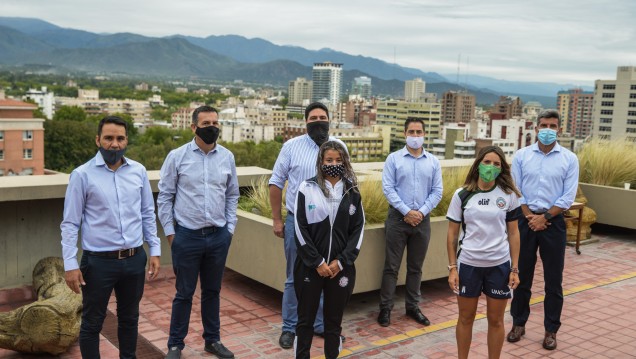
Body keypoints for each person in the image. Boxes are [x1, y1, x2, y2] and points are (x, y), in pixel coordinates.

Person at [61, 115, 161, 359]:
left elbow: (148, 213)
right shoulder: (82, 175)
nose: (114, 144)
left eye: (120, 138)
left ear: (126, 140)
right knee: (93, 323)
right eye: (108, 138)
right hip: (98, 263)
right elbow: (70, 223)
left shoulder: (138, 171)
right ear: (98, 140)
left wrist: (155, 250)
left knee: (129, 319)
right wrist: (70, 264)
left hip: (134, 259)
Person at [158, 105, 239, 359]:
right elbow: (165, 197)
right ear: (194, 127)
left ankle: (212, 341)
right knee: (184, 294)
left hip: (218, 236)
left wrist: (229, 229)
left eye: (215, 123)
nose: (212, 128)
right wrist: (172, 235)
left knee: (212, 292)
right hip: (187, 236)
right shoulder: (177, 156)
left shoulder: (227, 157)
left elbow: (232, 195)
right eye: (206, 124)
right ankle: (175, 344)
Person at [269, 102, 347, 349]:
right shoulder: (291, 147)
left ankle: (321, 325)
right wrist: (277, 219)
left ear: (329, 120)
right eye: (313, 118)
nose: (318, 121)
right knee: (295, 276)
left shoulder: (339, 147)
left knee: (326, 275)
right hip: (296, 222)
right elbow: (276, 182)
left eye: (322, 117)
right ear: (306, 122)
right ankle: (289, 327)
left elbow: (348, 183)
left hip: (330, 226)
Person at [507, 110, 579, 351]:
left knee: (553, 281)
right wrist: (530, 217)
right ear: (536, 128)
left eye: (553, 125)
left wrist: (545, 217)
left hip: (553, 223)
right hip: (524, 220)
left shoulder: (569, 158)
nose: (548, 129)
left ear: (559, 129)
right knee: (521, 276)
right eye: (544, 125)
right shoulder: (521, 155)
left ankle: (551, 330)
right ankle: (518, 324)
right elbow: (515, 189)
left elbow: (568, 196)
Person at [446, 146, 521, 359]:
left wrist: (514, 268)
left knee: (496, 320)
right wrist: (452, 268)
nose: (491, 167)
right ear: (478, 164)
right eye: (487, 162)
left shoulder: (508, 196)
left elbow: (514, 234)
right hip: (468, 265)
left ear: (502, 169)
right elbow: (452, 236)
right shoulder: (462, 195)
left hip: (498, 266)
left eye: (497, 164)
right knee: (465, 318)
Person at [294, 141, 365, 359]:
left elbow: (358, 231)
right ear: (321, 162)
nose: (334, 164)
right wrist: (317, 262)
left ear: (345, 162)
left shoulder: (352, 191)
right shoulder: (307, 188)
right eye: (329, 160)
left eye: (338, 160)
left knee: (333, 323)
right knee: (305, 320)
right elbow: (300, 228)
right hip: (310, 268)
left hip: (340, 269)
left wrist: (341, 262)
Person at [377, 118, 443, 327]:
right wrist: (407, 211)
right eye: (411, 132)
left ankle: (412, 307)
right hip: (398, 219)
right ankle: (385, 309)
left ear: (425, 134)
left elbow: (437, 191)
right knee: (391, 267)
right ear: (404, 133)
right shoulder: (393, 159)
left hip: (422, 221)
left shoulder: (433, 161)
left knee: (416, 268)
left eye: (419, 132)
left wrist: (420, 213)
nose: (415, 136)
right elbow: (388, 189)